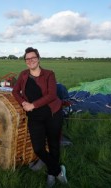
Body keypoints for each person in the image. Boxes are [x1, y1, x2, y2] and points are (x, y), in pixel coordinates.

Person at [12, 47, 68, 187]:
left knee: (54, 145)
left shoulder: (49, 74)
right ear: (25, 61)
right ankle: (58, 171)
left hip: (52, 114)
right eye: (27, 59)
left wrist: (33, 105)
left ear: (38, 58)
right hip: (35, 117)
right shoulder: (23, 74)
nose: (30, 60)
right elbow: (15, 91)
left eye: (33, 58)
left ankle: (50, 173)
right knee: (38, 148)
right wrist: (23, 102)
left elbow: (52, 95)